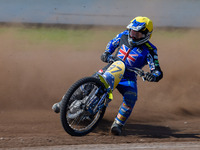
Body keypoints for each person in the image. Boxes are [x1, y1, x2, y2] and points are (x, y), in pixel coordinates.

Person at [52, 16, 163, 135]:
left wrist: (153, 76)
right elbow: (110, 45)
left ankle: (118, 124)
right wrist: (106, 54)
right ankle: (63, 103)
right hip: (111, 68)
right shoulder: (123, 35)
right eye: (132, 31)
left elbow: (157, 71)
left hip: (128, 78)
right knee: (88, 84)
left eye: (137, 34)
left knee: (131, 97)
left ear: (147, 35)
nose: (133, 35)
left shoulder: (151, 50)